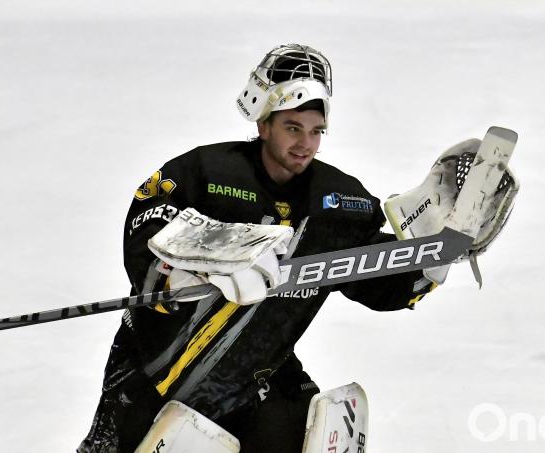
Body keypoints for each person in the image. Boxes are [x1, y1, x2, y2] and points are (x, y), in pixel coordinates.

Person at [78, 43, 439, 453]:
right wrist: (185, 268)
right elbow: (148, 223)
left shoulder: (338, 203)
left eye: (316, 131)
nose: (305, 144)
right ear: (263, 124)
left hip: (258, 378)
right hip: (156, 368)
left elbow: (373, 278)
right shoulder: (207, 173)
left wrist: (428, 264)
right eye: (292, 127)